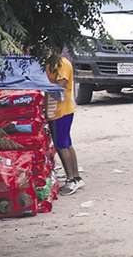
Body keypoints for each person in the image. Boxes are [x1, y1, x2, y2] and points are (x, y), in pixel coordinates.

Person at [45, 49, 84, 196]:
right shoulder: (51, 63)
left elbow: (60, 85)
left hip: (60, 111)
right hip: (58, 110)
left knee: (61, 145)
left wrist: (41, 86)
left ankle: (71, 180)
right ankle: (75, 177)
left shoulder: (62, 64)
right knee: (66, 143)